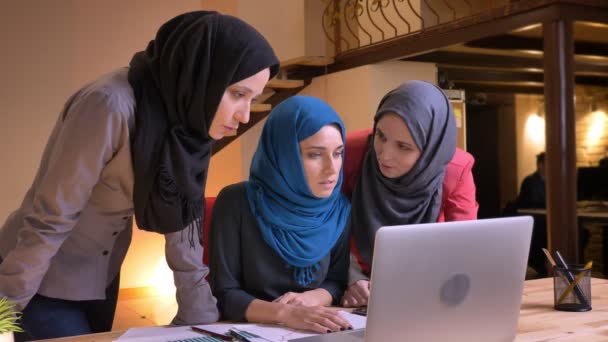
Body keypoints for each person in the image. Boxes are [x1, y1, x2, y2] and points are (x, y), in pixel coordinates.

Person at [0, 11, 279, 341]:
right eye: (237, 94)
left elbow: (183, 226)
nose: (245, 115)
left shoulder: (189, 121)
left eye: (253, 99)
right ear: (203, 73)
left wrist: (202, 322)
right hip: (42, 276)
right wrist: (6, 308)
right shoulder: (108, 105)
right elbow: (51, 218)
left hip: (101, 277)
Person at [209, 96, 353, 334]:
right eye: (315, 154)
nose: (332, 168)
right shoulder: (235, 203)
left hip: (315, 331)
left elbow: (336, 282)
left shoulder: (339, 208)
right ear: (284, 154)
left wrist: (311, 300)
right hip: (249, 333)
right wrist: (286, 313)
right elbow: (224, 293)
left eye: (338, 153)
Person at [340, 81, 478, 307]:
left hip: (426, 285)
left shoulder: (455, 170)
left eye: (403, 147)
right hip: (359, 282)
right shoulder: (352, 152)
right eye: (381, 136)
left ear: (431, 150)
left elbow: (463, 249)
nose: (384, 156)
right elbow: (327, 226)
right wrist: (352, 277)